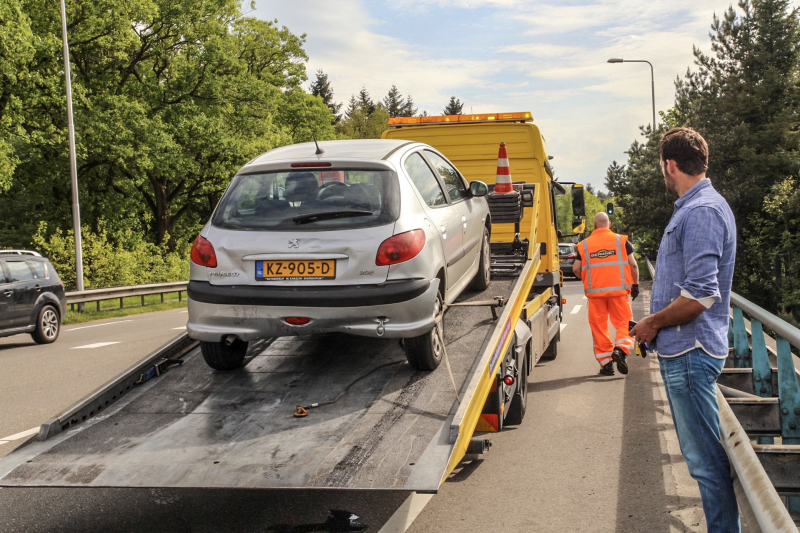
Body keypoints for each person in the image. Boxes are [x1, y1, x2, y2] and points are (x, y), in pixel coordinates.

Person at [630, 127, 739, 532]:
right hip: (686, 352)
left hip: (690, 353)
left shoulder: (701, 212)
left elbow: (701, 296)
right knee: (703, 462)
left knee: (705, 464)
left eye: (662, 165)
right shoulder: (695, 208)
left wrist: (652, 322)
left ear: (670, 165)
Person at [572, 212, 640, 376]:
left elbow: (575, 268)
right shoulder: (621, 241)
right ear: (609, 224)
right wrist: (635, 285)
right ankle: (621, 350)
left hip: (596, 295)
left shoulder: (583, 245)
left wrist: (590, 279)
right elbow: (633, 265)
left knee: (599, 328)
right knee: (624, 323)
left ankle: (606, 365)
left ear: (594, 225)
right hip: (619, 293)